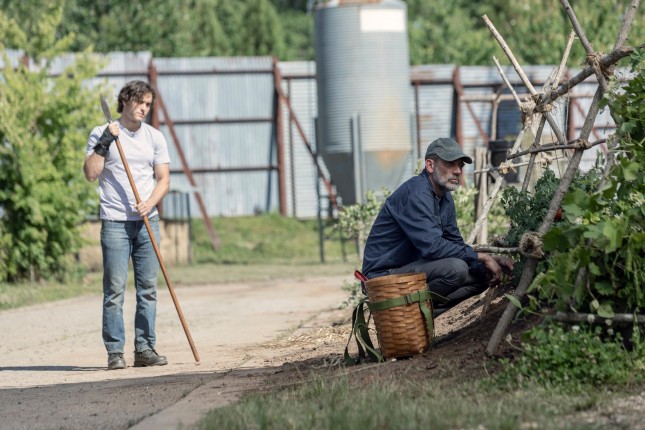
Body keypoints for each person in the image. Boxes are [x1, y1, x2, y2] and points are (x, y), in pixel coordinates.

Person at [361, 137, 513, 317]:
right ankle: (409, 314)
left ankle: (421, 317)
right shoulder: (416, 193)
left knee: (482, 274)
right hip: (382, 277)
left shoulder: (445, 198)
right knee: (456, 269)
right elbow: (433, 247)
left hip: (412, 269)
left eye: (460, 165)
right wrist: (482, 256)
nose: (458, 171)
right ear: (430, 165)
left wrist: (491, 260)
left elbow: (455, 244)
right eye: (450, 164)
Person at [84, 80, 171, 370]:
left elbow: (164, 180)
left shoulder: (155, 137)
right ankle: (115, 352)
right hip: (115, 222)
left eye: (148, 104)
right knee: (114, 290)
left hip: (147, 221)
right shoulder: (102, 132)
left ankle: (144, 349)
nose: (144, 108)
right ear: (125, 100)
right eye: (139, 102)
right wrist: (105, 142)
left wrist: (150, 202)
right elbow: (90, 173)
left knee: (148, 288)